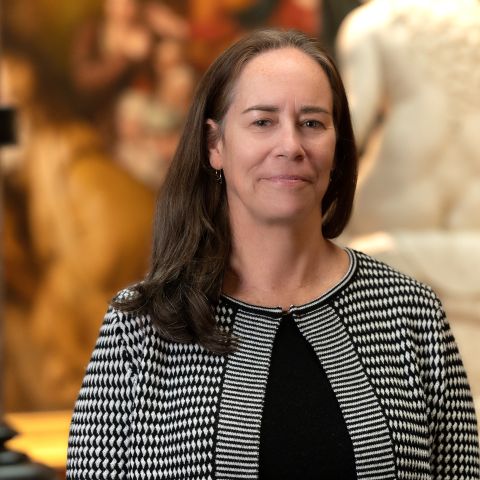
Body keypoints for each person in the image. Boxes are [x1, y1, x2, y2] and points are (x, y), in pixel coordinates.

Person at [66, 29, 480, 479]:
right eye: (263, 121)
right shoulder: (138, 328)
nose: (291, 146)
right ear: (214, 145)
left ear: (338, 148)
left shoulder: (412, 313)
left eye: (312, 123)